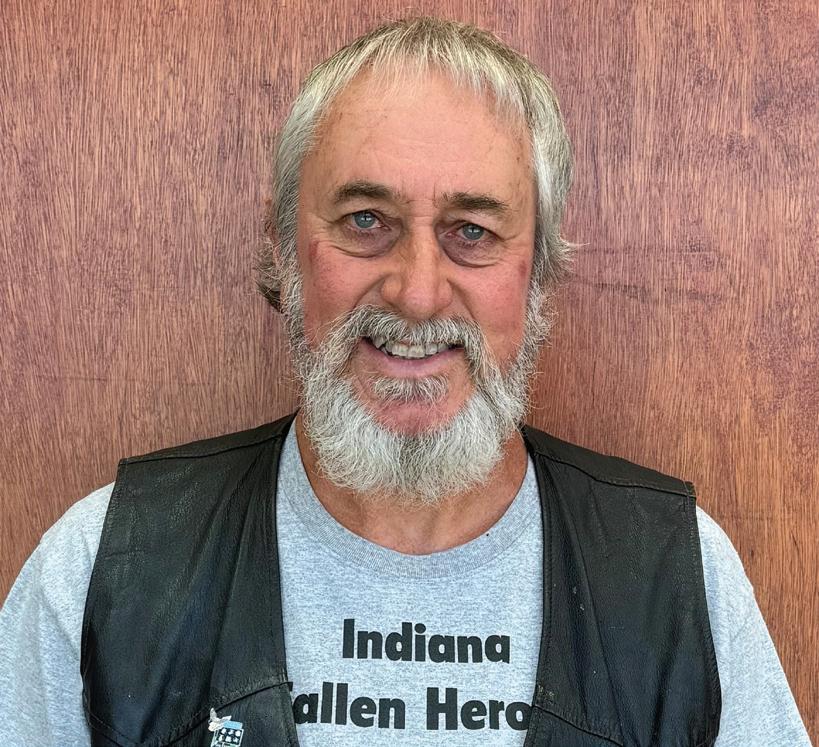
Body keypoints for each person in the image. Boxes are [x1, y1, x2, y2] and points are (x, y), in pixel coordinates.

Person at [0, 16, 811, 747]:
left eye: (472, 231)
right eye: (365, 221)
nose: (417, 293)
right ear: (281, 246)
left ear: (537, 274)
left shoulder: (676, 575)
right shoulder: (109, 565)